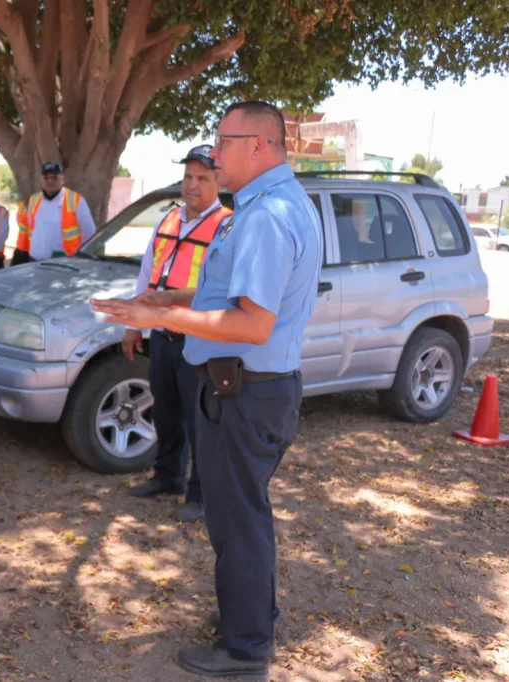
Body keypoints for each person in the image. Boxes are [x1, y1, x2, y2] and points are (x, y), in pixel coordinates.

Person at [91, 101, 323, 681]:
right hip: (246, 390)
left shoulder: (267, 216)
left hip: (245, 394)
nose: (214, 154)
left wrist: (169, 322)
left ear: (260, 147)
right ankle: (250, 619)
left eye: (223, 141)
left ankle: (245, 649)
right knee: (240, 516)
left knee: (238, 520)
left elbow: (252, 324)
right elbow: (231, 300)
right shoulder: (266, 207)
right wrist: (173, 301)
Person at [125, 145, 232, 526]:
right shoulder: (168, 219)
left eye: (202, 178)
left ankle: (201, 494)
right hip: (163, 335)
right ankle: (167, 476)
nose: (192, 184)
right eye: (188, 177)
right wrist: (134, 323)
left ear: (219, 180)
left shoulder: (227, 225)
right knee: (167, 412)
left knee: (201, 420)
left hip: (200, 340)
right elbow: (147, 272)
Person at [12, 162, 96, 265]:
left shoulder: (75, 200)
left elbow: (89, 232)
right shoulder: (34, 199)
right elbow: (31, 228)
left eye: (54, 177)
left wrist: (78, 258)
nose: (50, 181)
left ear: (62, 179)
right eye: (46, 178)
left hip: (64, 263)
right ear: (41, 180)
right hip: (34, 262)